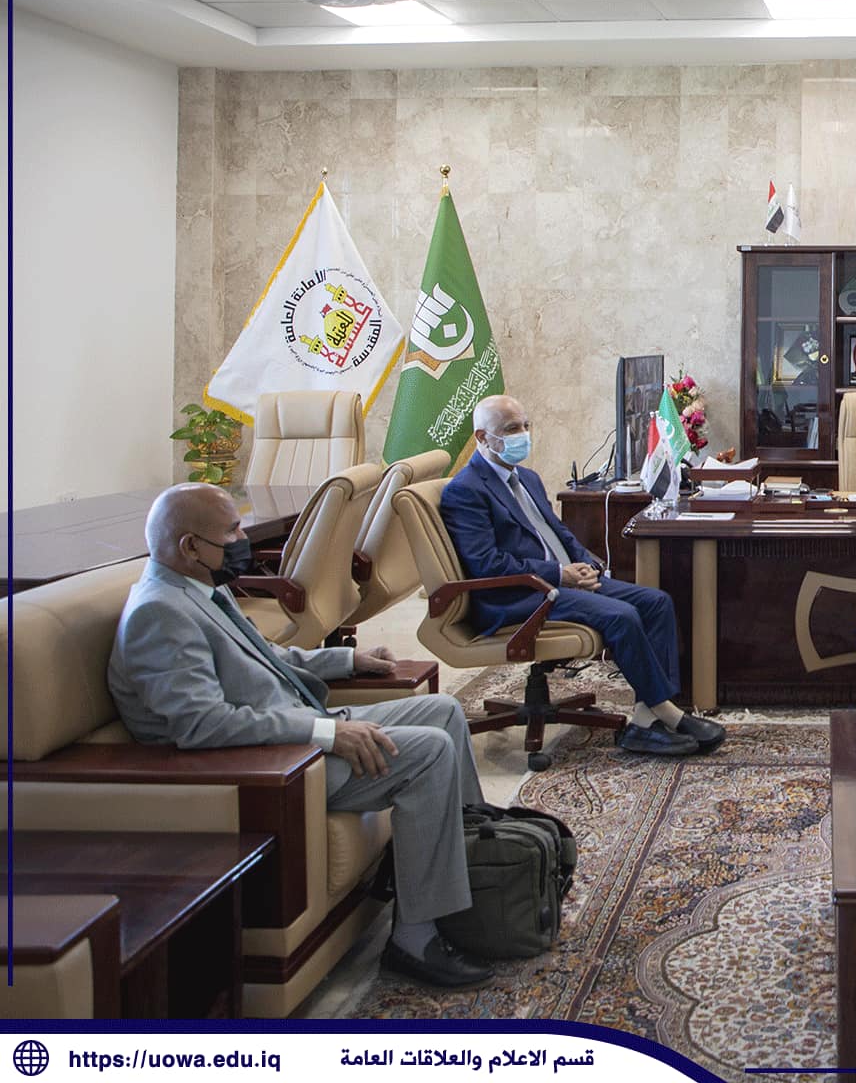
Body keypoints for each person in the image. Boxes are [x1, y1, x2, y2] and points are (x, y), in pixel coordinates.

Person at [108, 483, 493, 990]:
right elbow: (203, 724)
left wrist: (347, 659)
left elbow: (266, 657)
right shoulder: (158, 614)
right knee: (429, 752)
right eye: (232, 532)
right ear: (191, 546)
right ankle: (415, 939)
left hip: (293, 729)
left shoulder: (199, 588)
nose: (243, 540)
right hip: (274, 764)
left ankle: (479, 871)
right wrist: (326, 732)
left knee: (442, 712)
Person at [440, 394, 725, 758]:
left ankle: (645, 718)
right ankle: (669, 714)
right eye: (511, 429)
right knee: (622, 616)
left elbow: (558, 531)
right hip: (520, 595)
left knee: (656, 602)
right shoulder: (466, 490)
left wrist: (585, 565)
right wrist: (560, 574)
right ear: (482, 437)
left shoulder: (526, 477)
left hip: (560, 583)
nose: (523, 435)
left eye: (525, 425)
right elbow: (488, 564)